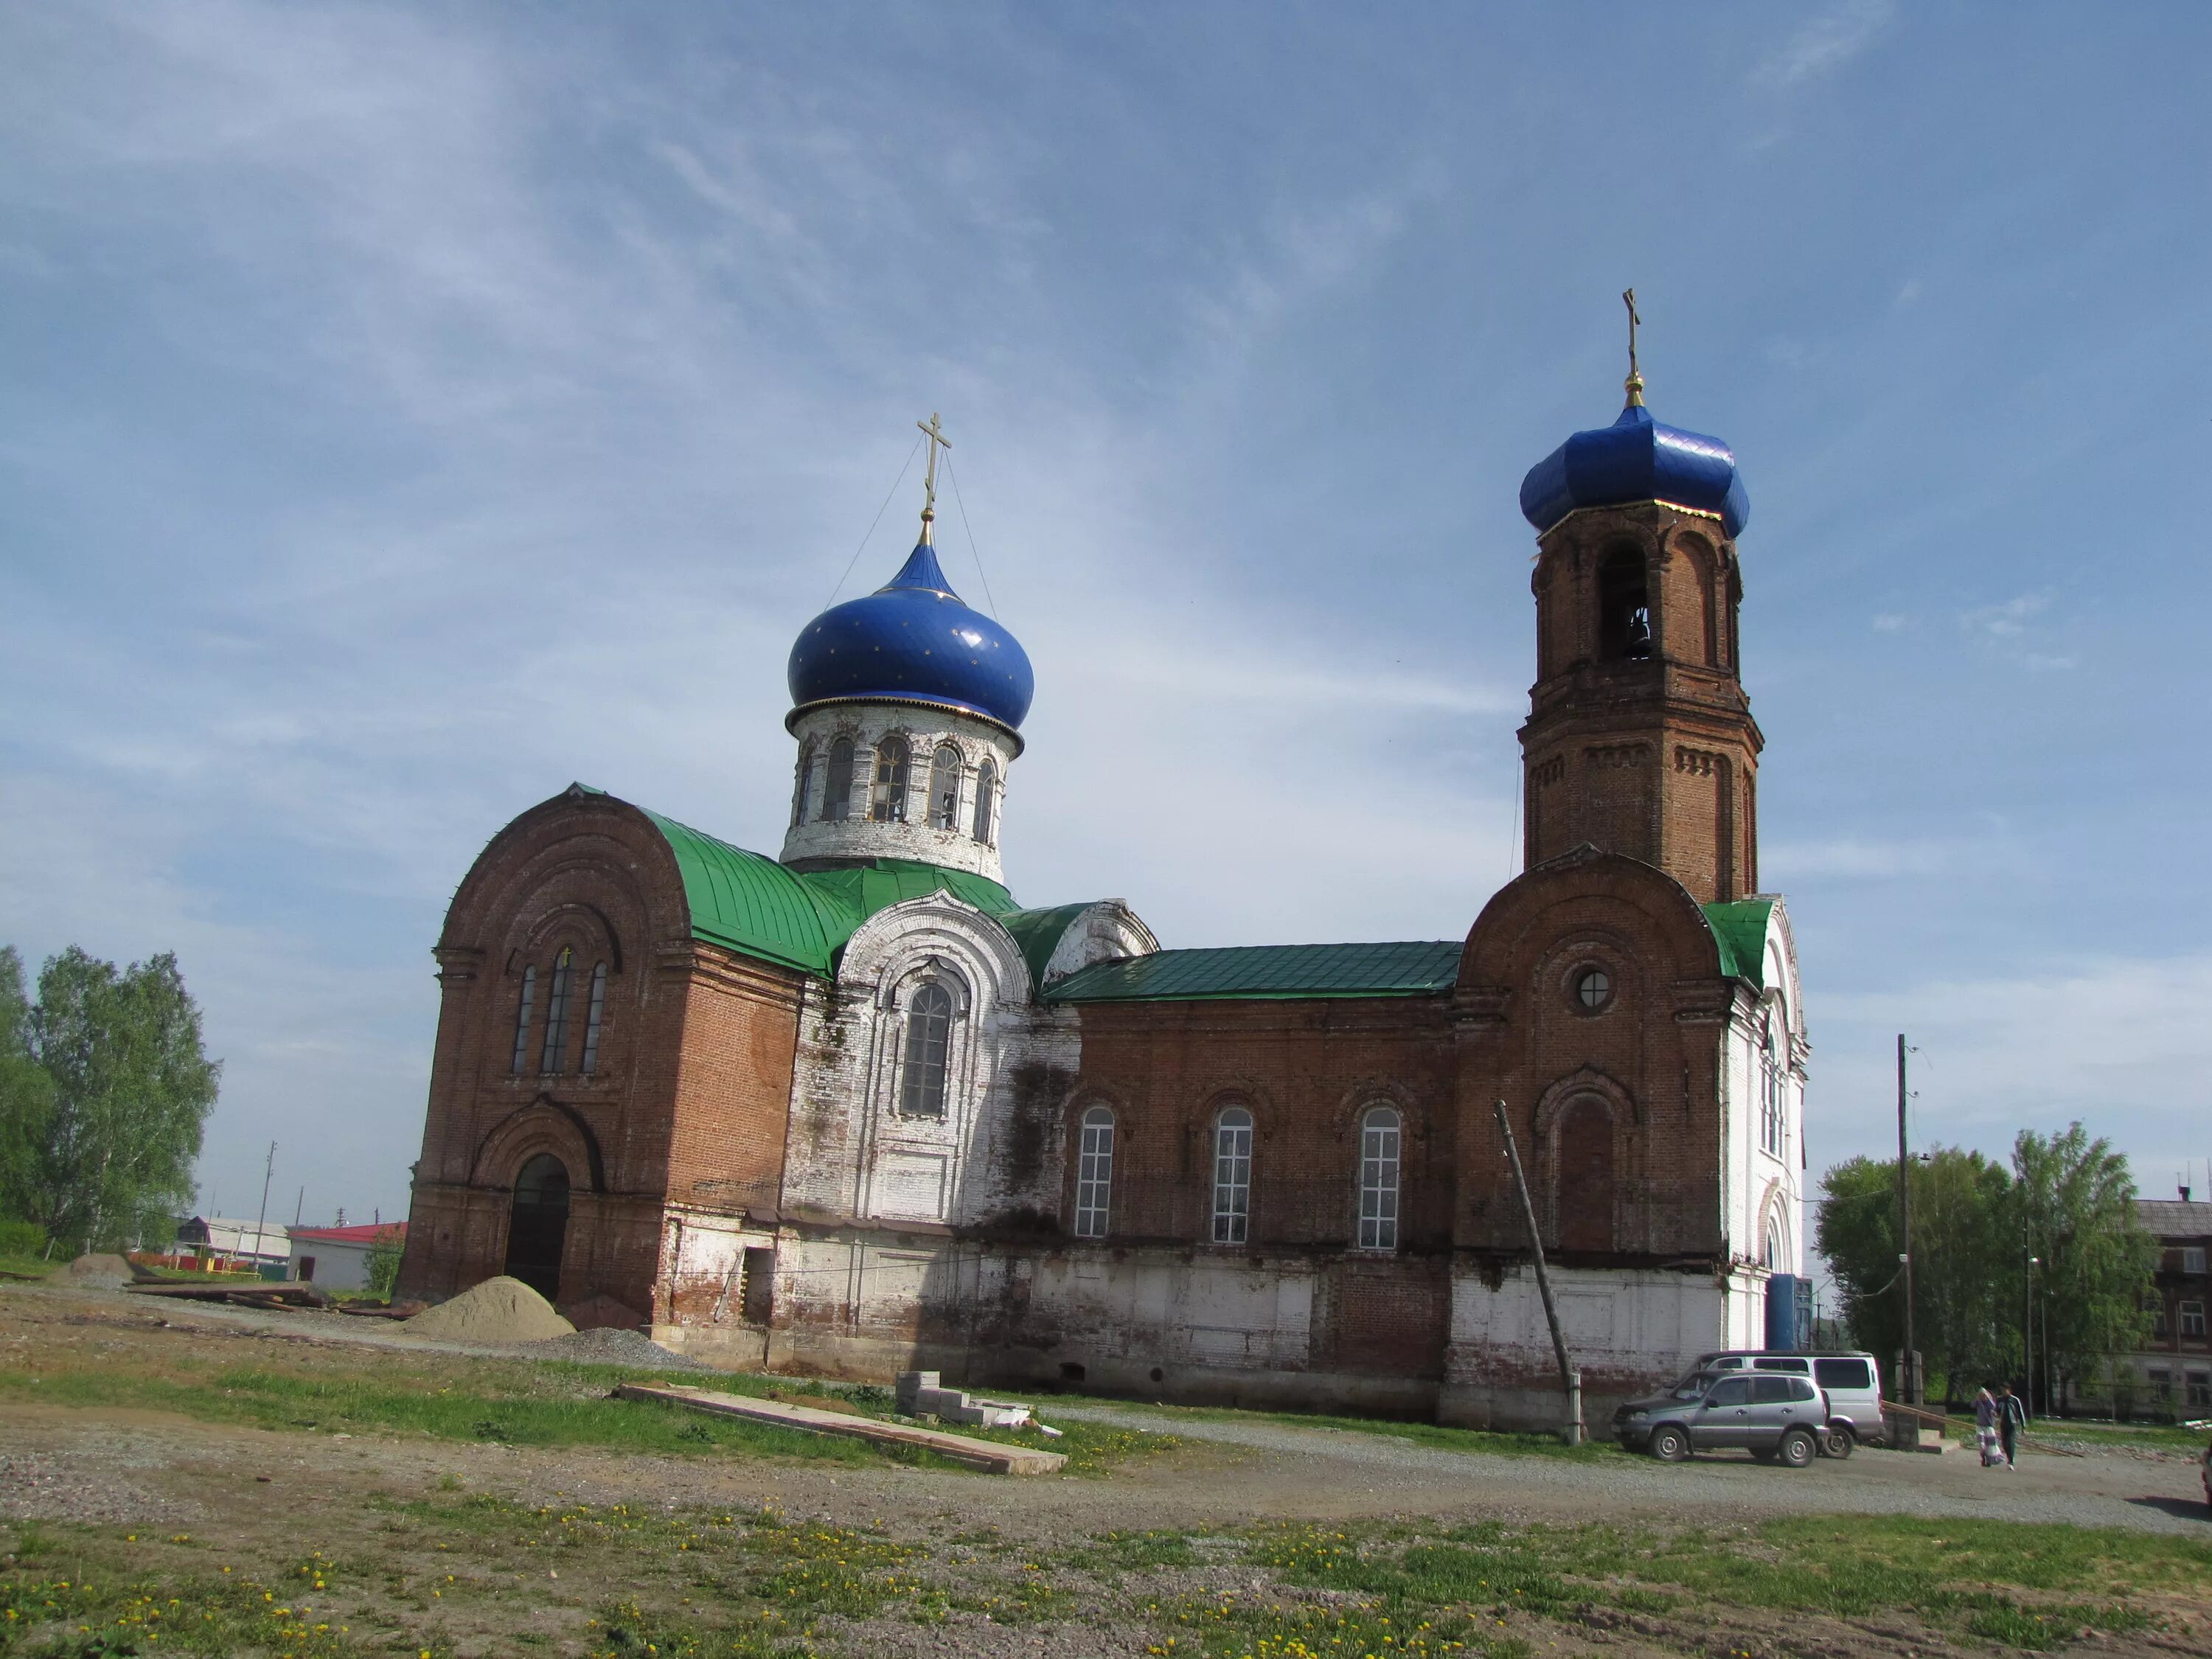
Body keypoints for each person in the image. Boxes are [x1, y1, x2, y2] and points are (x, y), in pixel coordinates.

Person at [1996, 1382, 2027, 1468]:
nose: (2003, 1392)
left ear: (2009, 1390)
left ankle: (2011, 1461)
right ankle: (2009, 1457)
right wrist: (1995, 1414)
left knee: (2010, 1442)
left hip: (2012, 1423)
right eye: (2001, 1390)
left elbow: (2021, 1413)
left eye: (2004, 1390)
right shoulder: (1999, 1399)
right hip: (2003, 1423)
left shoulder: (2015, 1400)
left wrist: (2023, 1427)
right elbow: (1997, 1410)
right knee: (2004, 1443)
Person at [1974, 1387, 2000, 1467]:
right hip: (1980, 1426)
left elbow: (1993, 1407)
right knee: (1981, 1444)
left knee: (1990, 1445)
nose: (1982, 1397)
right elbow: (1972, 1405)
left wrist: (1988, 1398)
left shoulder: (1989, 1403)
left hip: (1989, 1426)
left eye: (1983, 1395)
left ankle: (1989, 1460)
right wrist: (1977, 1398)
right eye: (1981, 1395)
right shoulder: (1978, 1402)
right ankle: (1983, 1458)